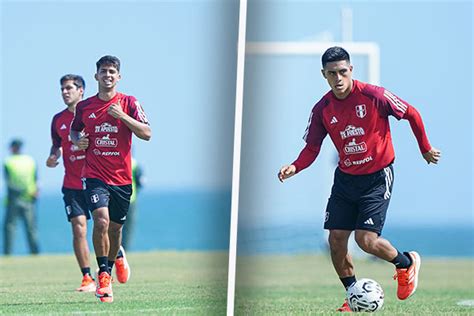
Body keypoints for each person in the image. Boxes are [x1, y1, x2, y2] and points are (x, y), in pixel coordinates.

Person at [278, 46, 441, 312]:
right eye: (332, 74)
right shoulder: (322, 109)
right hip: (345, 180)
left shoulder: (374, 96)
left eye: (343, 71)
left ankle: (406, 263)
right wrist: (295, 166)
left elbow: (411, 112)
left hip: (377, 177)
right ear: (324, 75)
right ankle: (353, 293)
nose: (338, 78)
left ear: (351, 70)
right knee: (336, 240)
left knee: (367, 241)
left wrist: (425, 148)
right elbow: (311, 148)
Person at [70, 55, 151, 303]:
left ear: (119, 76)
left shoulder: (129, 102)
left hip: (122, 180)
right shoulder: (85, 107)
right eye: (103, 71)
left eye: (112, 71)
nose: (107, 75)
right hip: (95, 175)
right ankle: (104, 274)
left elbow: (147, 133)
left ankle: (115, 257)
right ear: (96, 76)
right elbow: (75, 129)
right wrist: (77, 140)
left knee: (115, 230)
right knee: (101, 221)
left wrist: (123, 117)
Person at [46, 74, 96, 292]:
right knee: (79, 229)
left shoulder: (93, 114)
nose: (65, 92)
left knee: (106, 226)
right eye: (62, 89)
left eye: (69, 88)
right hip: (72, 185)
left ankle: (116, 255)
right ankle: (87, 277)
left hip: (96, 181)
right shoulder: (57, 119)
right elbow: (56, 145)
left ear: (81, 90)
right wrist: (52, 157)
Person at [3, 139, 40, 255]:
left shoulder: (8, 161)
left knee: (10, 228)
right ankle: (34, 253)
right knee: (30, 228)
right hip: (28, 198)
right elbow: (36, 179)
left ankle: (8, 253)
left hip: (15, 199)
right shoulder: (30, 161)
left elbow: (8, 181)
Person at [121, 157, 144, 250]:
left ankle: (117, 250)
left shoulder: (133, 164)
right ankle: (124, 250)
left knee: (113, 226)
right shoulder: (135, 164)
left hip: (122, 198)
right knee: (128, 228)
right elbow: (140, 182)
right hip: (131, 199)